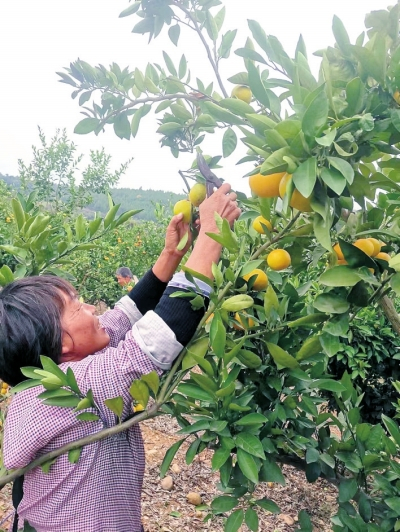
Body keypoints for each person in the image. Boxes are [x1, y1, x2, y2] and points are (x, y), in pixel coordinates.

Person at [0, 184, 240, 532]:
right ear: (62, 345)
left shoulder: (50, 375)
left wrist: (171, 257)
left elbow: (122, 316)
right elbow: (150, 345)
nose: (90, 308)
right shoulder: (63, 394)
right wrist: (211, 240)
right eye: (75, 307)